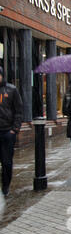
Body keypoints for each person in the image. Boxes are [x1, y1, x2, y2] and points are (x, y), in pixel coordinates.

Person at [0, 66, 23, 197]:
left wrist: (15, 129)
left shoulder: (11, 89)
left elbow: (18, 110)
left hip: (7, 132)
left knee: (7, 162)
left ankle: (6, 186)